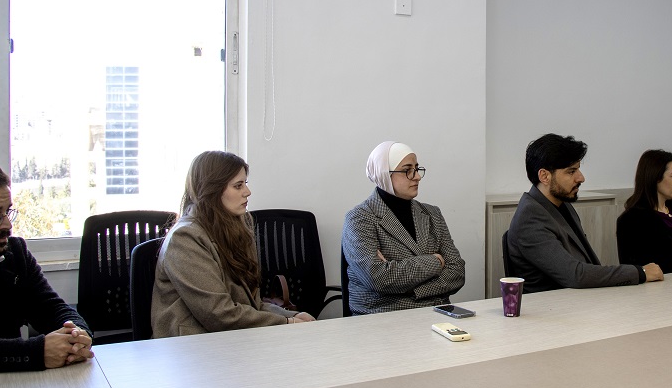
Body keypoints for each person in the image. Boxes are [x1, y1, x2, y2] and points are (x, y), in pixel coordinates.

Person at [151, 151, 314, 337]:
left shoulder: (237, 227)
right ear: (211, 190)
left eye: (245, 183)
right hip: (191, 344)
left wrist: (292, 316)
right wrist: (286, 323)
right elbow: (218, 314)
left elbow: (251, 304)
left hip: (228, 337)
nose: (247, 192)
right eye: (238, 186)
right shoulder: (185, 238)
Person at [506, 134, 663, 293]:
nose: (581, 178)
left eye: (578, 169)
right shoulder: (530, 218)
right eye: (571, 171)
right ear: (544, 176)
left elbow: (587, 266)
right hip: (555, 305)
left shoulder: (561, 204)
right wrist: (640, 272)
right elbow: (575, 275)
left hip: (580, 298)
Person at [0, 160, 94, 372]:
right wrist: (36, 352)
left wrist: (77, 335)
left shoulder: (15, 254)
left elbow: (52, 308)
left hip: (11, 382)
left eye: (7, 212)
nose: (7, 224)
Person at [342, 141, 466, 314]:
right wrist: (436, 261)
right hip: (383, 315)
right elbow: (378, 278)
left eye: (416, 168)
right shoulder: (360, 218)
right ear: (384, 174)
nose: (417, 176)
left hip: (434, 311)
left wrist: (411, 290)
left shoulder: (432, 213)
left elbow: (457, 272)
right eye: (407, 170)